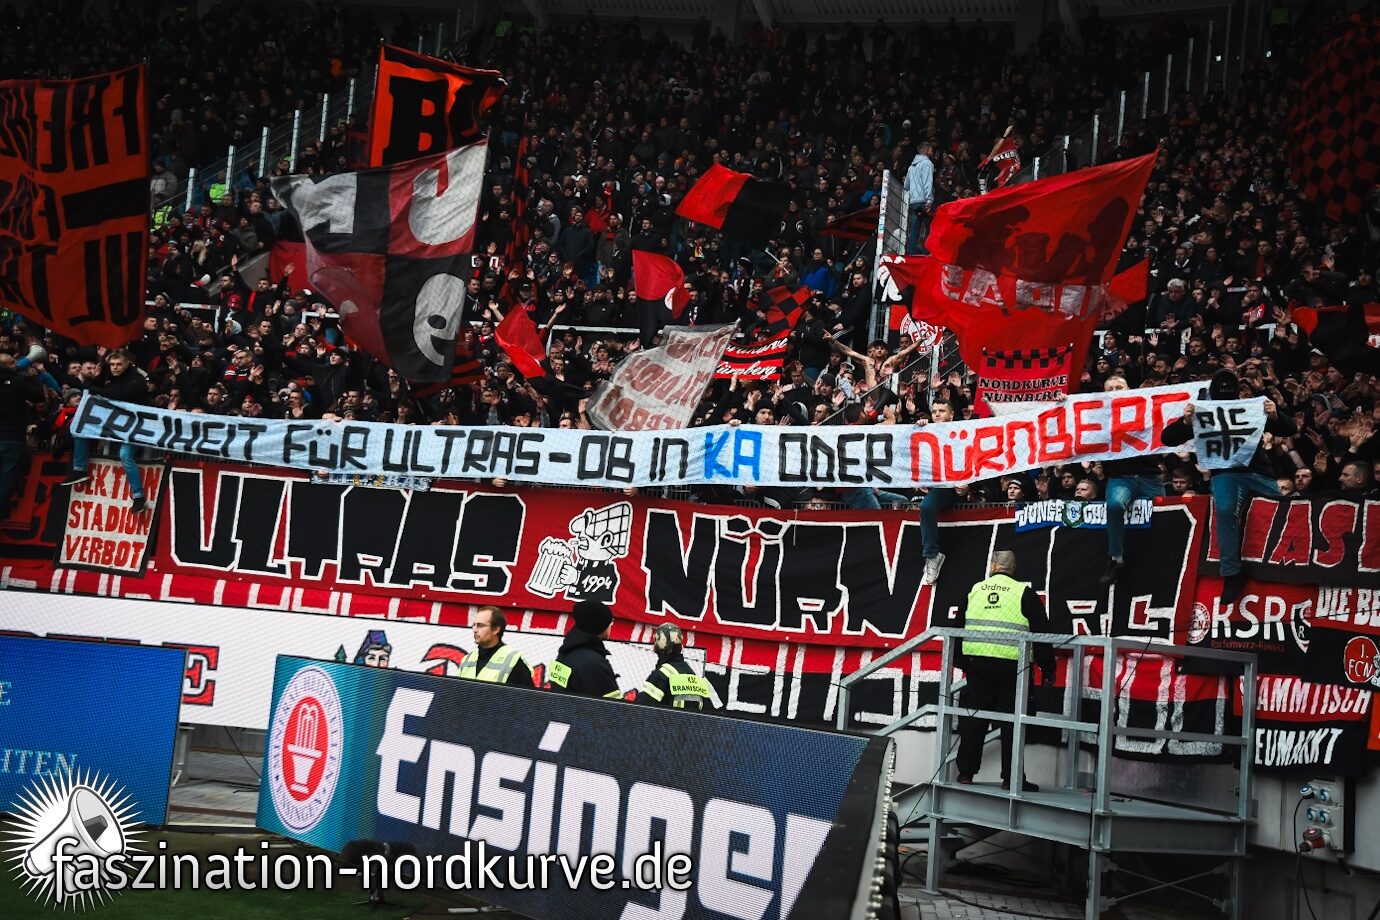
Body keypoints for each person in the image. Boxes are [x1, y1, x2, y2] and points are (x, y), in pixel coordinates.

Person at [1160, 369, 1296, 604]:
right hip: (1227, 474)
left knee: (1285, 510)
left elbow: (1290, 428)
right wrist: (1185, 421)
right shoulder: (1204, 413)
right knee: (1224, 509)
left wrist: (1275, 416)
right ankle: (1232, 573)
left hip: (1260, 472)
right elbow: (1167, 438)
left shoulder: (1250, 410)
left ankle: (1291, 559)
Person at [955, 550, 1055, 790]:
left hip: (978, 666)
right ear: (1013, 568)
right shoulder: (1024, 594)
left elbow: (958, 627)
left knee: (974, 719)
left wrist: (961, 662)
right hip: (1014, 668)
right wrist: (1048, 668)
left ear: (993, 566)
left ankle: (965, 774)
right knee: (1012, 723)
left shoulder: (975, 591)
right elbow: (1042, 633)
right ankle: (1011, 779)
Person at [59, 349, 149, 513]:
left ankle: (138, 496)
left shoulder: (137, 379)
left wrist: (99, 389)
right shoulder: (110, 376)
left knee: (125, 455)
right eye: (112, 364)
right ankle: (79, 469)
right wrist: (98, 378)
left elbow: (121, 394)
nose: (115, 368)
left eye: (119, 364)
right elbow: (91, 390)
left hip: (135, 426)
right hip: (116, 423)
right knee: (80, 428)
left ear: (127, 364)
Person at [1099, 377, 1168, 585]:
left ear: (1130, 389)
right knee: (1114, 506)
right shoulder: (1099, 415)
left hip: (1150, 478)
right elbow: (1072, 419)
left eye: (1119, 387)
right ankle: (1116, 558)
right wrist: (1064, 402)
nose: (1115, 391)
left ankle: (1166, 558)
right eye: (1109, 389)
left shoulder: (1145, 408)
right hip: (1122, 479)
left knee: (1165, 517)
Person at [0, 351, 46, 514]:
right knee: (7, 478)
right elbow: (39, 396)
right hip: (11, 437)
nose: (18, 364)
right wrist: (32, 378)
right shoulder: (17, 381)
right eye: (14, 363)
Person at [546, 600, 621, 699]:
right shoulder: (594, 663)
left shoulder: (566, 652)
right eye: (610, 622)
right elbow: (614, 708)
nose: (611, 626)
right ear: (599, 626)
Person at [919, 398, 957, 585]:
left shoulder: (965, 432)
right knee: (926, 507)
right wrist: (919, 428)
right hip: (942, 488)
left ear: (952, 415)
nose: (937, 414)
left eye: (942, 411)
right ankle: (932, 555)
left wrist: (969, 486)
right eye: (934, 411)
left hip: (964, 486)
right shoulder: (926, 431)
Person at [634, 623, 711, 711]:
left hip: (667, 723)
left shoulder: (662, 675)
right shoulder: (693, 676)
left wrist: (634, 697)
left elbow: (642, 706)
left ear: (659, 644)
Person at [457, 606, 533, 687]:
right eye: (474, 625)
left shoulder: (513, 661)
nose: (475, 630)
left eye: (481, 625)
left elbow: (526, 698)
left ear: (496, 629)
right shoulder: (467, 659)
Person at [905, 142, 935, 254]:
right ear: (927, 150)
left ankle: (911, 253)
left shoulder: (911, 166)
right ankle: (926, 252)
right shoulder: (927, 163)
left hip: (913, 201)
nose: (932, 152)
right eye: (931, 150)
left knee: (915, 228)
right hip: (923, 200)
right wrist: (929, 199)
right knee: (930, 226)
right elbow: (928, 182)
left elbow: (906, 185)